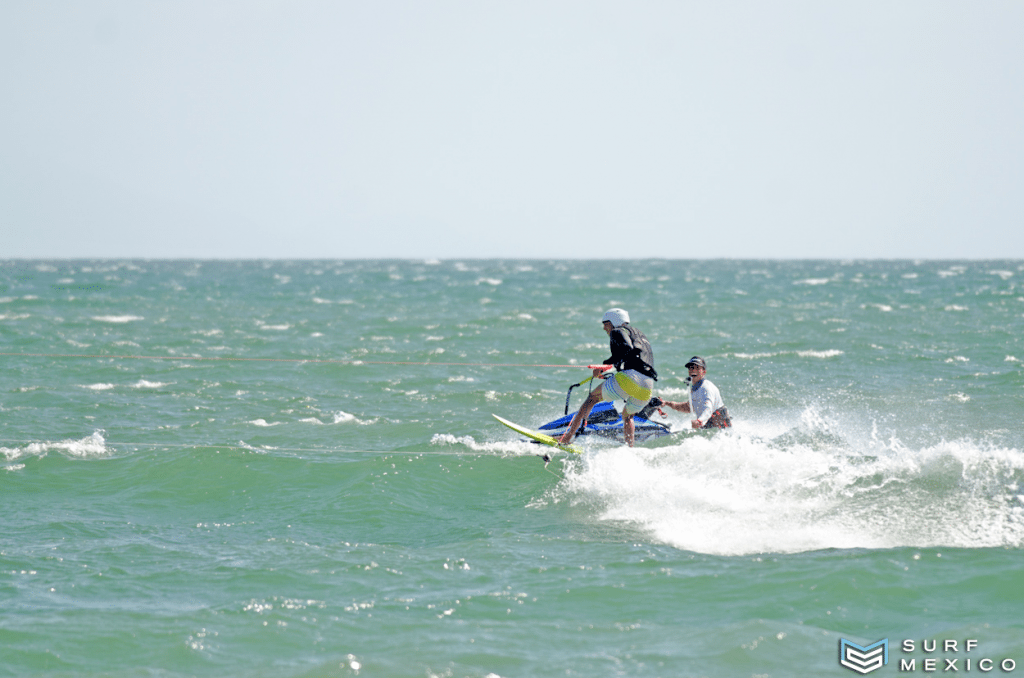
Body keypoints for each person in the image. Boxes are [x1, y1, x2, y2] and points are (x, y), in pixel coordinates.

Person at [558, 308, 658, 447]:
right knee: (627, 416)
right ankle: (630, 448)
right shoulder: (640, 335)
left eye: (605, 324)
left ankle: (567, 437)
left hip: (631, 378)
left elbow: (626, 349)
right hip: (647, 385)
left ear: (614, 321)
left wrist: (603, 366)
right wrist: (610, 368)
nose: (604, 328)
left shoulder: (617, 331)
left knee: (591, 399)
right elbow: (634, 356)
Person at [659, 356, 732, 429]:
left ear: (704, 372)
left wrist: (699, 421)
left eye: (697, 368)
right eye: (691, 368)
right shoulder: (695, 389)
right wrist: (667, 403)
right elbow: (688, 407)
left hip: (721, 428)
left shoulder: (706, 388)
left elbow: (708, 409)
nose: (693, 370)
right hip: (709, 426)